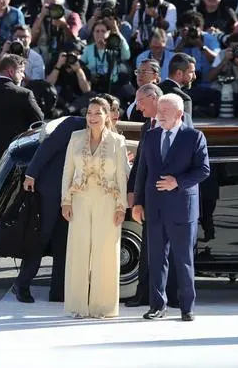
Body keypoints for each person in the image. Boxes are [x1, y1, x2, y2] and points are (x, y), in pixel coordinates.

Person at [132, 94, 210, 321]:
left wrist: (178, 182)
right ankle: (157, 305)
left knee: (183, 259)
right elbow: (142, 172)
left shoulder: (194, 136)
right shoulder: (151, 135)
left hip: (181, 208)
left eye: (165, 111)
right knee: (156, 259)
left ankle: (187, 307)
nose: (160, 114)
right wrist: (137, 202)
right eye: (159, 110)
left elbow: (203, 170)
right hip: (154, 207)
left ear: (179, 114)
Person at [61, 97, 130, 318]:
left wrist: (122, 207)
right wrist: (66, 201)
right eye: (89, 113)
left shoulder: (118, 141)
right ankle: (76, 306)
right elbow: (67, 171)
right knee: (78, 252)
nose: (92, 117)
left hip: (108, 200)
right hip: (79, 199)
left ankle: (104, 307)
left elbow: (122, 175)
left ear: (107, 115)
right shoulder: (76, 137)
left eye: (97, 113)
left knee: (106, 253)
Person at [125, 84, 190, 308]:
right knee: (150, 249)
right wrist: (135, 194)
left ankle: (174, 297)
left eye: (140, 101)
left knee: (174, 252)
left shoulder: (184, 121)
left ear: (153, 98)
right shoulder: (147, 128)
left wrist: (176, 184)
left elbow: (188, 160)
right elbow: (141, 166)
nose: (137, 106)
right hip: (152, 199)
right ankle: (145, 295)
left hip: (176, 198)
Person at [15, 116, 86, 304]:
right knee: (41, 237)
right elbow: (48, 147)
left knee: (64, 242)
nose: (95, 117)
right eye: (94, 112)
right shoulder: (73, 124)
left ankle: (58, 292)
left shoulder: (106, 134)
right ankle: (22, 285)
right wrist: (31, 174)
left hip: (74, 194)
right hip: (52, 191)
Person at [81, 19, 132, 100]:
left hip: (113, 86)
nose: (100, 34)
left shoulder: (114, 48)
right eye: (97, 31)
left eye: (103, 31)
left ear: (108, 33)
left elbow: (127, 55)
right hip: (94, 86)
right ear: (93, 33)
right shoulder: (88, 49)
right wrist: (90, 75)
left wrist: (116, 30)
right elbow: (81, 65)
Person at [31, 0, 81, 68]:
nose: (52, 9)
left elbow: (74, 39)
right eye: (48, 6)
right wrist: (41, 17)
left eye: (54, 6)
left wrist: (64, 25)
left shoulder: (71, 15)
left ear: (61, 5)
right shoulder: (40, 16)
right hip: (44, 51)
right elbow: (31, 39)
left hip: (64, 51)